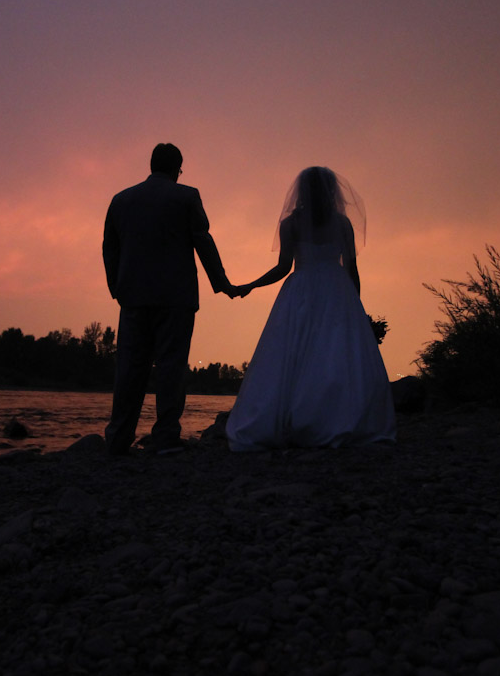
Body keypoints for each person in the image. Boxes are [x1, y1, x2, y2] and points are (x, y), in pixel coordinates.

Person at [227, 166, 396, 451]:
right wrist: (355, 305)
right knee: (333, 356)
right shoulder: (342, 224)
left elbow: (282, 268)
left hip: (302, 291)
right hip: (336, 290)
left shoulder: (291, 224)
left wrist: (251, 285)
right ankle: (335, 418)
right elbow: (352, 268)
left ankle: (296, 420)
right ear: (332, 191)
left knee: (295, 355)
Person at [102, 143, 235, 455]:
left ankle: (118, 438)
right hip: (175, 297)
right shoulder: (186, 196)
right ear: (177, 168)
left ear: (151, 166)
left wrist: (117, 287)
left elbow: (110, 247)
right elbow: (203, 240)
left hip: (133, 297)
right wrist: (223, 283)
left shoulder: (121, 200)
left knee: (130, 369)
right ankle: (165, 437)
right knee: (171, 367)